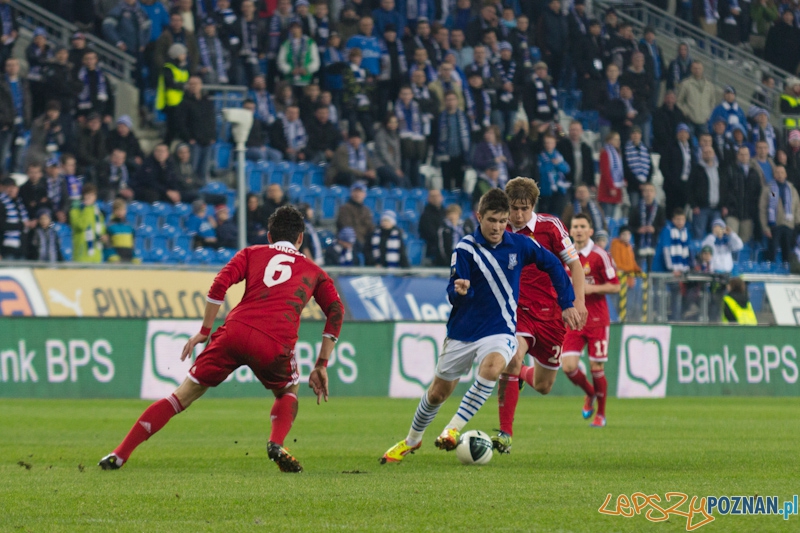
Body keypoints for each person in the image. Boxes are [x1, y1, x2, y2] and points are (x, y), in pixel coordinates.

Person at [99, 206, 344, 472]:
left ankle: (120, 454)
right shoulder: (314, 271)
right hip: (274, 342)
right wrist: (321, 363)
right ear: (300, 239)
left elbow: (219, 284)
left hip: (234, 332)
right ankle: (276, 442)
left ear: (269, 236)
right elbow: (336, 310)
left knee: (181, 396)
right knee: (287, 391)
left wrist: (205, 331)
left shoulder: (251, 253)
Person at [380, 189, 577, 464]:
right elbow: (454, 290)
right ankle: (412, 439)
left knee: (495, 366)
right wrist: (460, 292)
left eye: (502, 220)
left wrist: (568, 302)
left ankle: (452, 429)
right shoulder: (465, 249)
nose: (497, 227)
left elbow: (555, 264)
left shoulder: (520, 245)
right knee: (438, 392)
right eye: (492, 220)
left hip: (501, 328)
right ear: (479, 217)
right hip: (464, 331)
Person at [492, 177, 586, 453]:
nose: (518, 215)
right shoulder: (499, 228)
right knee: (512, 357)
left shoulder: (551, 227)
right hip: (516, 310)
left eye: (524, 208)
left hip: (553, 313)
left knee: (544, 385)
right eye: (513, 208)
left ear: (533, 206)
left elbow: (575, 265)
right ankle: (504, 433)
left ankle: (520, 374)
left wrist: (577, 302)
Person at [560, 213, 620, 428]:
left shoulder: (600, 256)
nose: (578, 229)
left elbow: (615, 286)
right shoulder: (565, 255)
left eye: (582, 226)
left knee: (596, 368)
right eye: (574, 226)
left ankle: (601, 414)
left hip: (596, 318)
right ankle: (591, 393)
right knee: (568, 367)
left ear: (590, 231)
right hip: (574, 319)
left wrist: (589, 288)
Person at [653, 208, 692, 320]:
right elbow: (666, 251)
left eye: (682, 219)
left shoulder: (685, 232)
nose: (680, 221)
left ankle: (676, 319)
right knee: (660, 293)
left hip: (678, 271)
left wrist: (685, 268)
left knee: (677, 292)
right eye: (678, 219)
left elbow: (687, 251)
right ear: (673, 220)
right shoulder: (667, 230)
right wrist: (671, 269)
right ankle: (658, 317)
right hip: (662, 270)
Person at [177, 76, 217, 181]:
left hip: (207, 141)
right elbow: (181, 123)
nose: (194, 86)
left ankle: (201, 194)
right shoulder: (185, 103)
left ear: (201, 85)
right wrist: (189, 138)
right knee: (192, 170)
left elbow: (212, 119)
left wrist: (212, 136)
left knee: (204, 171)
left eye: (196, 84)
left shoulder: (207, 101)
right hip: (194, 143)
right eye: (191, 84)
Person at [759, 165, 800, 263]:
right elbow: (763, 209)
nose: (780, 175)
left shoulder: (792, 189)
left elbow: (798, 207)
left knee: (788, 250)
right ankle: (771, 270)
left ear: (785, 174)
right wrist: (765, 227)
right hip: (774, 225)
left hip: (789, 225)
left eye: (782, 172)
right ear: (774, 175)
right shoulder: (769, 189)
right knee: (772, 250)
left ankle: (787, 270)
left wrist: (797, 222)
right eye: (777, 172)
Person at [721, 145, 761, 244]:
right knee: (731, 240)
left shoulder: (754, 172)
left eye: (746, 154)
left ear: (749, 156)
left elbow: (757, 193)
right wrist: (725, 205)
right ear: (737, 156)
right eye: (741, 154)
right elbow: (724, 190)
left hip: (748, 214)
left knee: (744, 244)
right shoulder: (730, 170)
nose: (743, 156)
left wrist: (754, 209)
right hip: (732, 212)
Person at [156, 43, 190, 145]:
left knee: (174, 130)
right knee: (172, 129)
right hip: (172, 103)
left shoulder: (183, 67)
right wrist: (183, 86)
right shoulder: (168, 67)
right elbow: (170, 83)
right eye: (182, 54)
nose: (185, 56)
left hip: (182, 101)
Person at [436, 91, 470, 191]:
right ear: (444, 102)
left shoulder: (464, 117)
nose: (450, 102)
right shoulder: (439, 117)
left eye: (453, 99)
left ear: (457, 101)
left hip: (461, 155)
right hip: (445, 155)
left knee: (459, 184)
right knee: (446, 183)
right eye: (448, 100)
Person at [676, 62, 717, 138]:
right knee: (690, 141)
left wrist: (708, 114)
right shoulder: (685, 84)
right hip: (690, 120)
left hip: (704, 121)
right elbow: (679, 101)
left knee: (704, 142)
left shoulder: (709, 85)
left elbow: (712, 102)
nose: (697, 70)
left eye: (699, 68)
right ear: (691, 69)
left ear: (702, 69)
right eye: (695, 68)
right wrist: (686, 112)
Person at [690, 145, 722, 240]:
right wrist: (694, 205)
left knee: (716, 236)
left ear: (714, 154)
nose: (708, 154)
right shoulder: (696, 169)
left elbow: (724, 188)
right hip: (701, 209)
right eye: (705, 152)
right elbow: (690, 188)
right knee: (698, 236)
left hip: (716, 209)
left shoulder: (719, 169)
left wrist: (723, 204)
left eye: (710, 152)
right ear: (701, 155)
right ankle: (698, 255)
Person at [628, 182, 665, 267]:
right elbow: (630, 226)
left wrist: (654, 229)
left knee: (652, 268)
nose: (648, 193)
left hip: (654, 242)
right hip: (639, 243)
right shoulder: (635, 208)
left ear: (655, 193)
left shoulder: (660, 209)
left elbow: (663, 225)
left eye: (651, 191)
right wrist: (638, 230)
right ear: (642, 193)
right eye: (646, 191)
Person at [535, 133, 570, 216]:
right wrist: (552, 164)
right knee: (544, 214)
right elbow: (540, 171)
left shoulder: (558, 156)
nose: (548, 145)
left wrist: (558, 164)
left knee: (556, 214)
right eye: (546, 143)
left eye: (551, 143)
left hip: (558, 190)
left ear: (554, 144)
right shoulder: (540, 156)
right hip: (545, 190)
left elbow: (566, 169)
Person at [70, 183, 106, 263]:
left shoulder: (98, 213)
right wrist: (87, 208)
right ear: (83, 196)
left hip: (96, 257)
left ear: (95, 197)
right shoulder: (75, 211)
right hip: (81, 256)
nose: (89, 197)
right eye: (87, 194)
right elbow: (81, 226)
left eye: (92, 194)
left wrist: (103, 237)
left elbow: (101, 231)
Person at [557, 121, 594, 194]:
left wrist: (591, 183)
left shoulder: (586, 148)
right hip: (566, 184)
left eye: (577, 130)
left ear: (581, 131)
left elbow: (590, 166)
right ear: (569, 130)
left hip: (582, 184)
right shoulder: (561, 145)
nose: (575, 132)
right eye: (572, 130)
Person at [336, 181, 374, 251]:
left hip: (364, 242)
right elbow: (346, 227)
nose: (357, 194)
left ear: (364, 194)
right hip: (350, 242)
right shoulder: (345, 208)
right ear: (351, 193)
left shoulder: (366, 210)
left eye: (360, 192)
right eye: (355, 191)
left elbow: (370, 228)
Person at [0, 176, 29, 260]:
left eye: (13, 187)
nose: (11, 189)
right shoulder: (2, 204)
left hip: (21, 249)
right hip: (7, 250)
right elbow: (2, 226)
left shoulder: (20, 203)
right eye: (8, 187)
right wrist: (22, 225)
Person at [623, 126, 652, 210]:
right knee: (635, 208)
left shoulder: (645, 149)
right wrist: (637, 183)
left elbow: (650, 167)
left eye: (637, 133)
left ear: (641, 135)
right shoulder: (626, 149)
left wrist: (646, 182)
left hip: (645, 186)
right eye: (633, 133)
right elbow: (626, 169)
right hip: (633, 186)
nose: (636, 135)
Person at [598, 131, 624, 219]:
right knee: (607, 217)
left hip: (616, 189)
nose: (618, 142)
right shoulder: (605, 153)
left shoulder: (618, 153)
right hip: (607, 189)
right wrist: (611, 187)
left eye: (619, 139)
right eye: (615, 139)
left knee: (612, 217)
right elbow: (605, 172)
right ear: (609, 141)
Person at [373, 115, 405, 188]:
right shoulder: (381, 135)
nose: (393, 124)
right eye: (391, 122)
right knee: (399, 179)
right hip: (380, 165)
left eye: (395, 122)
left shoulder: (396, 136)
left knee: (405, 180)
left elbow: (397, 154)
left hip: (392, 167)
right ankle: (398, 197)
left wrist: (397, 168)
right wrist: (395, 169)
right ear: (387, 123)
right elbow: (384, 154)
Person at [652, 90, 687, 155]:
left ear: (675, 100)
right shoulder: (658, 113)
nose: (670, 101)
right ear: (664, 99)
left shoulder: (679, 113)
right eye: (668, 98)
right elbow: (659, 131)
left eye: (672, 98)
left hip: (677, 144)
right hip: (662, 144)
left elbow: (682, 128)